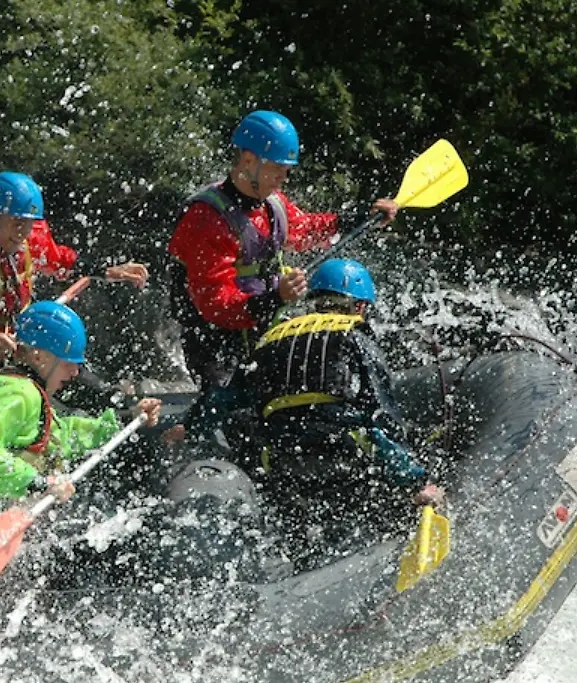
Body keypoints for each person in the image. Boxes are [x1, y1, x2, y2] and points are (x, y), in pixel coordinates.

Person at [167, 110, 400, 395]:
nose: (284, 177)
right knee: (230, 415)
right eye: (277, 167)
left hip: (261, 329)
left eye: (287, 169)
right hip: (215, 345)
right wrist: (277, 296)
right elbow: (216, 306)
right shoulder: (206, 219)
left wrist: (361, 217)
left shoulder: (272, 204)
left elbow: (307, 230)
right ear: (249, 160)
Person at [247, 259, 442, 554]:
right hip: (342, 451)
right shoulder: (355, 337)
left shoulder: (271, 340)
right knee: (380, 460)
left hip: (279, 457)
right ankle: (416, 499)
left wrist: (190, 426)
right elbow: (382, 414)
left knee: (302, 533)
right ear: (360, 307)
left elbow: (228, 398)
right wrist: (415, 477)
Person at [0, 172, 148, 381]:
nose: (23, 233)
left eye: (29, 224)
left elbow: (60, 262)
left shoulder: (29, 239)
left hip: (17, 346)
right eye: (17, 223)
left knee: (76, 378)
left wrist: (107, 272)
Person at [0, 301, 161, 502]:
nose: (75, 372)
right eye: (68, 363)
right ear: (38, 357)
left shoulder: (30, 393)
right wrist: (34, 484)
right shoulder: (17, 392)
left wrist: (124, 420)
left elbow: (60, 437)